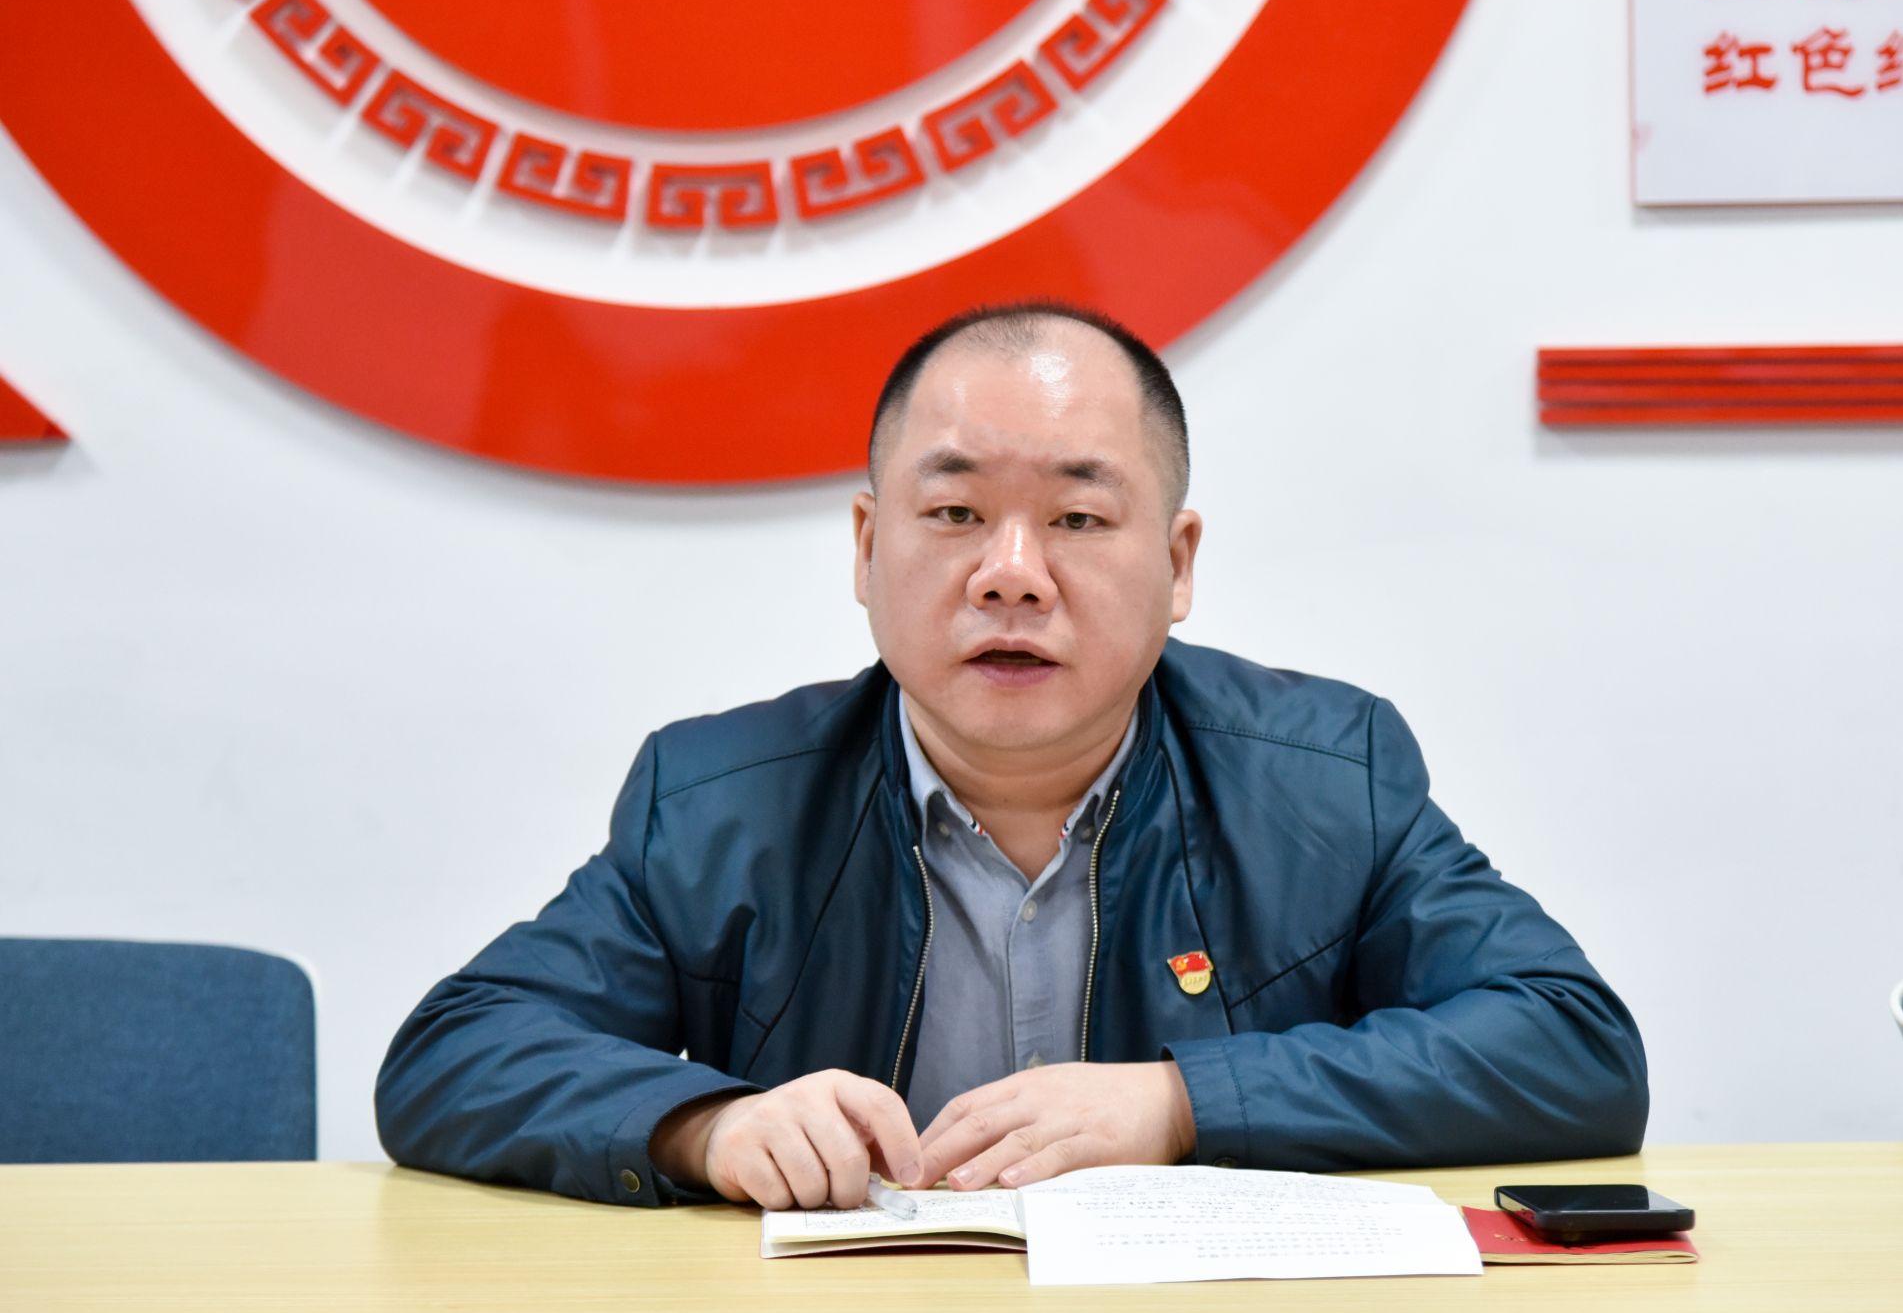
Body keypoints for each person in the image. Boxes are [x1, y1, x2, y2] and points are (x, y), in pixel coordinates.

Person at [376, 302, 1649, 1210]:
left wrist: (1180, 1104)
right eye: (953, 513)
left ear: (1177, 564)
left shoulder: (1322, 780)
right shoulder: (720, 804)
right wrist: (704, 1127)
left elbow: (1570, 1046)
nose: (1010, 574)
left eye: (1079, 518)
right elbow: (456, 1050)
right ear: (865, 548)